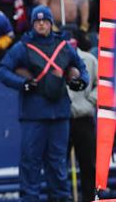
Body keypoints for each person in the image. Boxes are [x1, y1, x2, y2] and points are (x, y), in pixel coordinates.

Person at [0, 5, 89, 202]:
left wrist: (80, 81)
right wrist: (22, 84)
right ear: (32, 24)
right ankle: (30, 198)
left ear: (51, 23)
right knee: (31, 162)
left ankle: (61, 198)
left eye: (45, 21)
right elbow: (3, 71)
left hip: (59, 113)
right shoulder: (22, 47)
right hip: (34, 114)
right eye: (37, 21)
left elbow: (81, 68)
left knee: (57, 163)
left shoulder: (64, 46)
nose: (41, 24)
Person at [67, 34, 97, 202]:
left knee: (88, 164)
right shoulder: (55, 60)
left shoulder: (89, 59)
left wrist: (90, 101)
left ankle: (89, 198)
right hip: (62, 119)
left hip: (84, 118)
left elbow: (103, 85)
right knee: (59, 166)